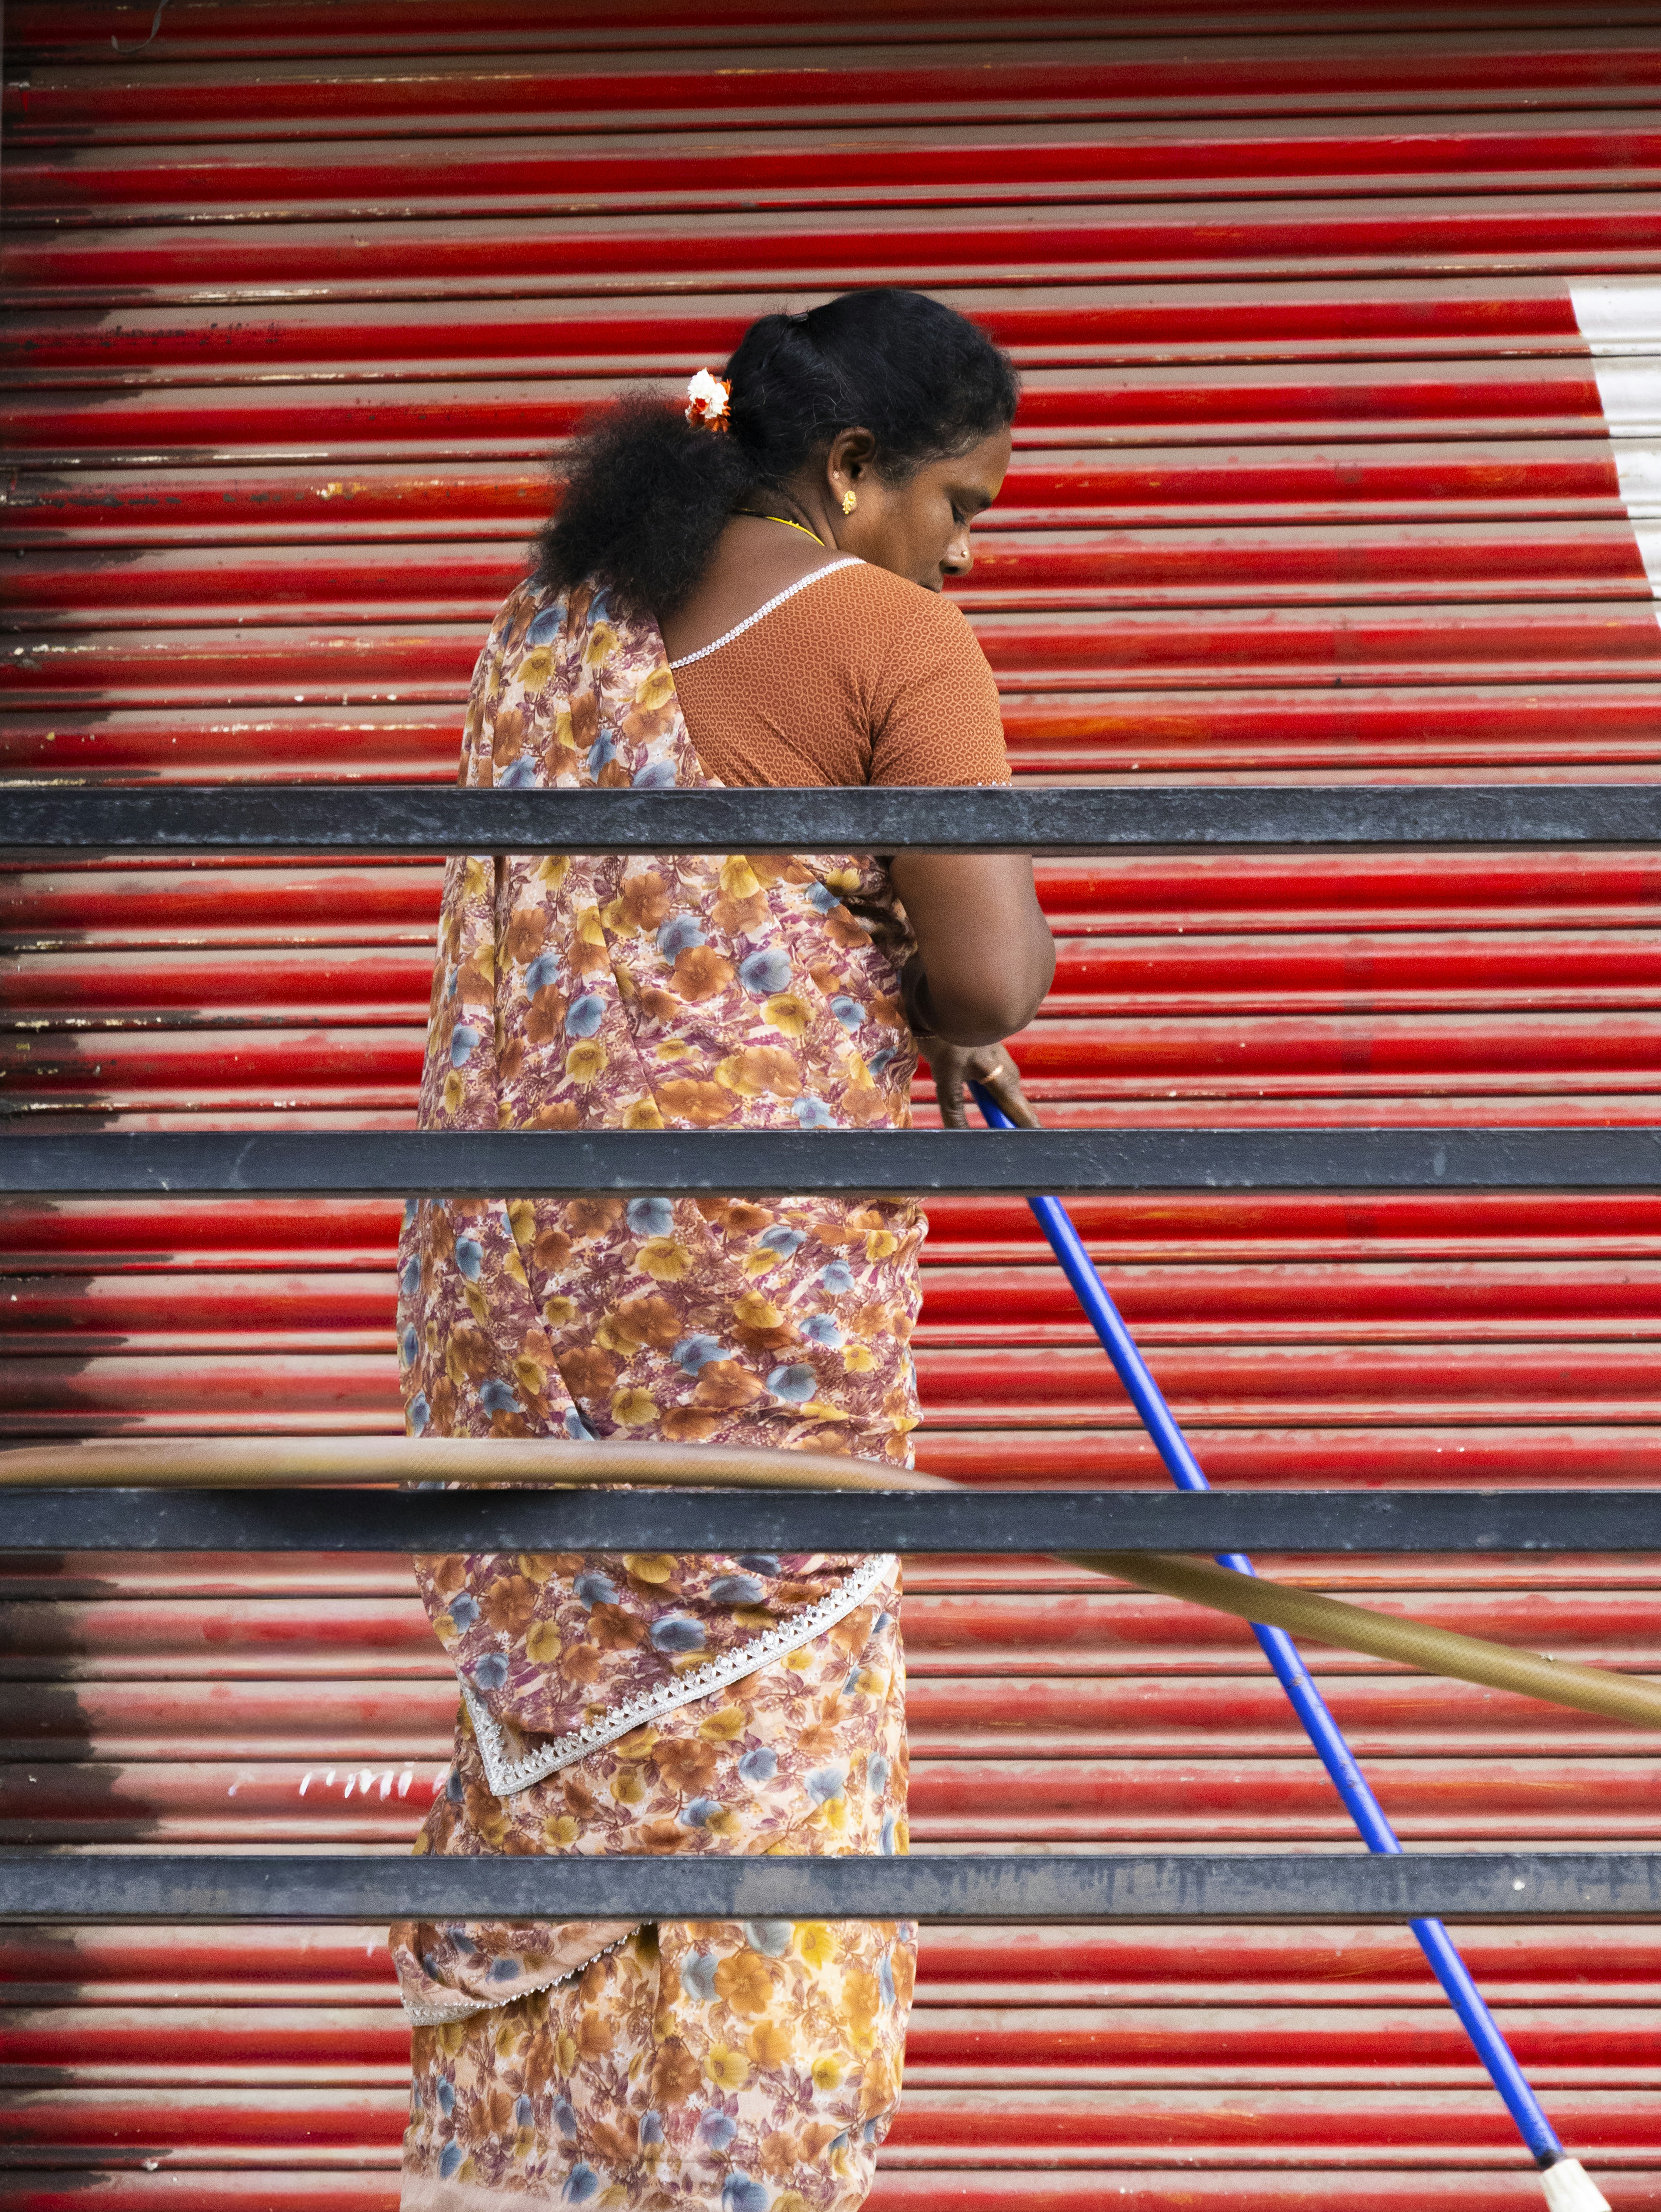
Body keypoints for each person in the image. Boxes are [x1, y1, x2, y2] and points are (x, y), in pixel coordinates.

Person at [390, 288, 1055, 2211]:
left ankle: (519, 2177)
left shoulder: (553, 623)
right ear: (851, 468)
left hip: (510, 1342)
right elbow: (994, 981)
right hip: (744, 1366)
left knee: (554, 1751)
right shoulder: (892, 636)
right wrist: (930, 974)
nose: (967, 551)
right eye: (959, 504)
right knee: (767, 1770)